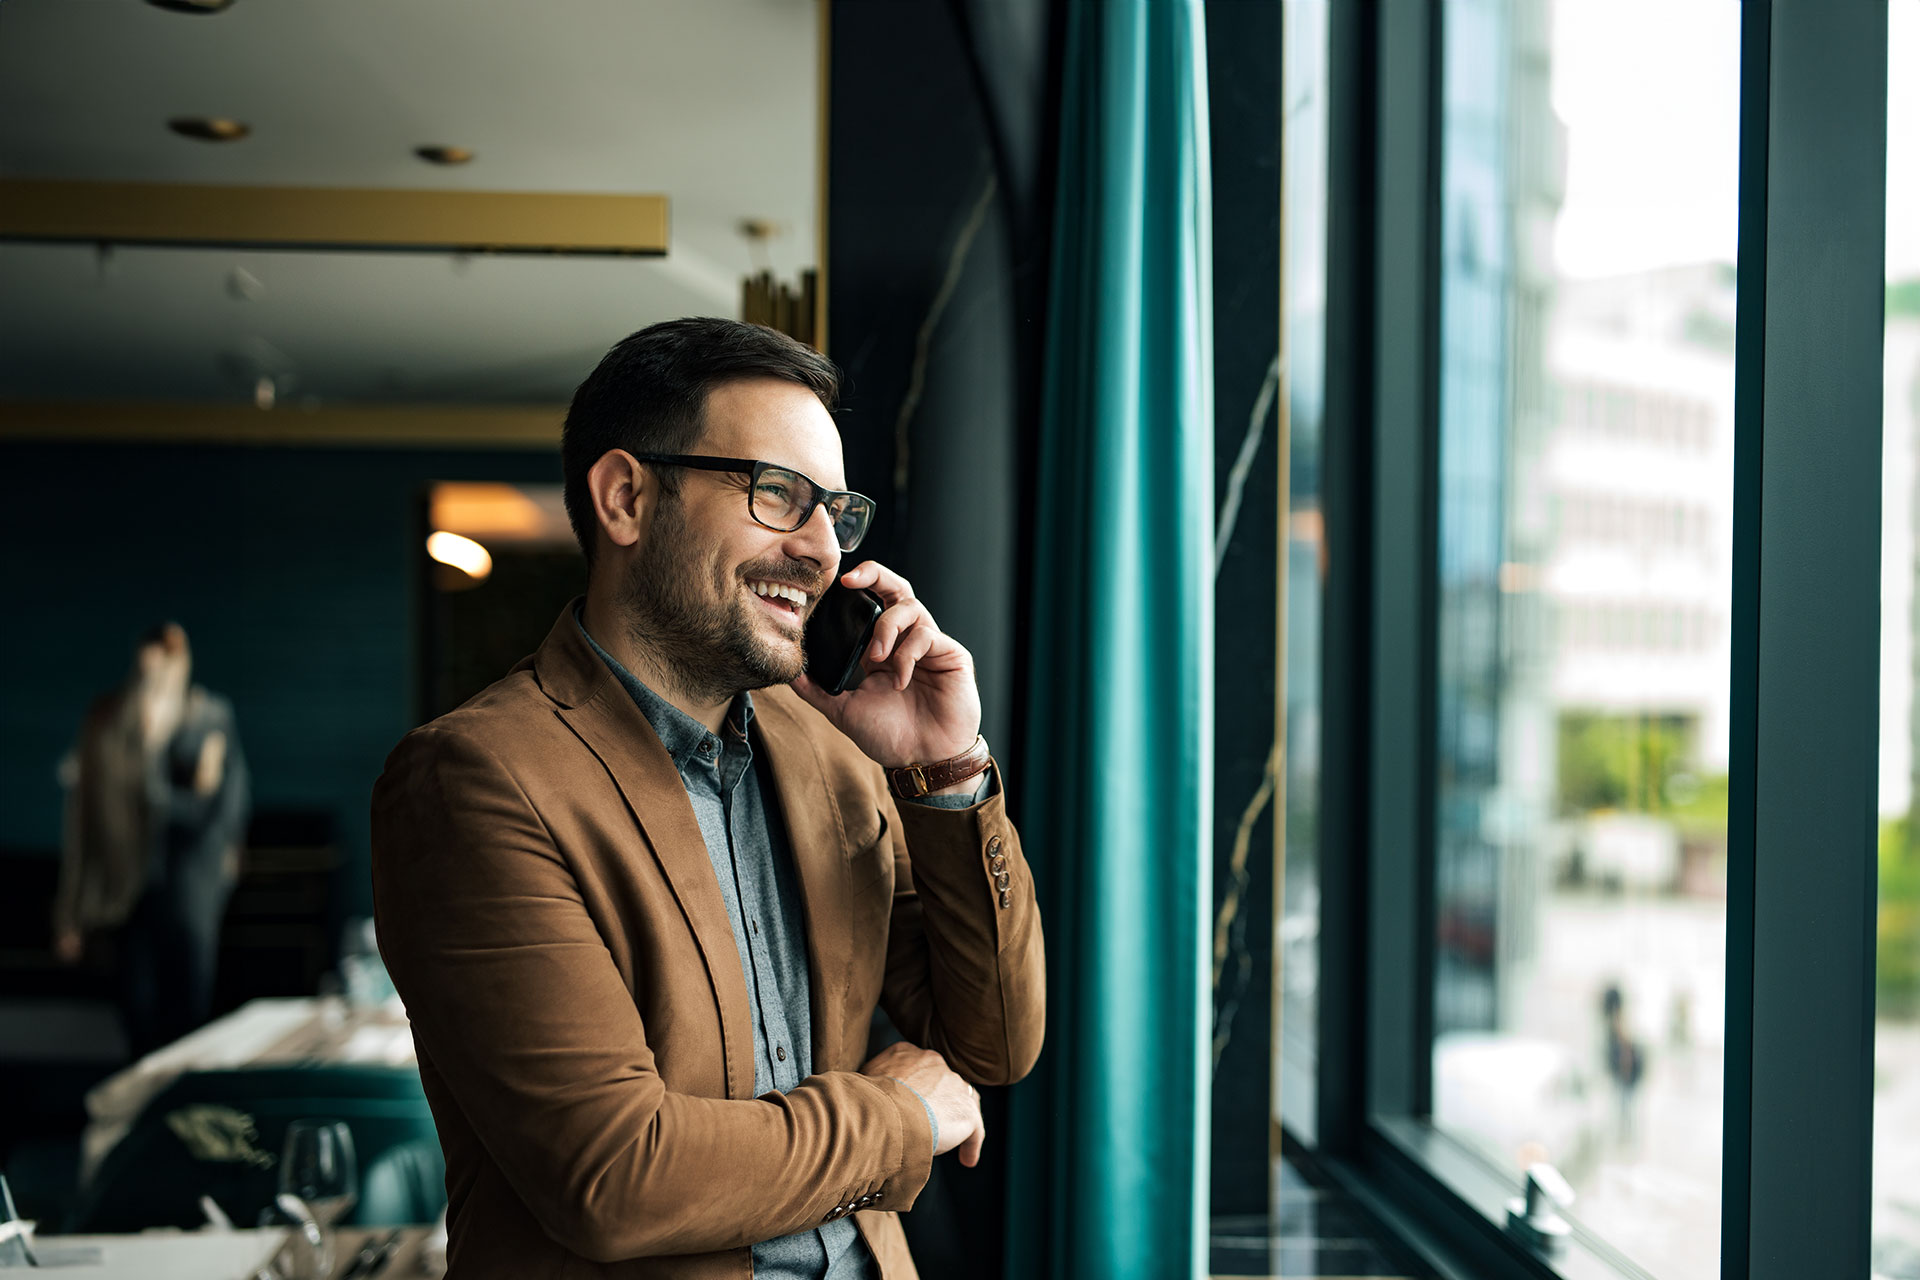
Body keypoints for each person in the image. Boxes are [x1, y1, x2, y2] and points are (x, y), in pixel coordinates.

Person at [371, 318, 1045, 1280]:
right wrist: (898, 1117)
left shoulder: (833, 753)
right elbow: (617, 1177)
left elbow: (997, 1041)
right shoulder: (473, 780)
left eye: (836, 512)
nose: (823, 551)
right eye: (779, 495)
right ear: (626, 497)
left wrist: (949, 772)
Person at [54, 622, 249, 1056]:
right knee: (136, 1016)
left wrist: (224, 864)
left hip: (190, 890)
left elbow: (225, 806)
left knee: (190, 1017)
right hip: (126, 888)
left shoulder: (208, 716)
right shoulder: (109, 721)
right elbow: (84, 819)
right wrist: (69, 912)